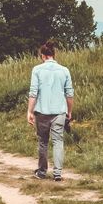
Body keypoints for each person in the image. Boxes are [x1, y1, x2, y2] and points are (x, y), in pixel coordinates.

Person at [26, 40, 74, 181]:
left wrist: (29, 111)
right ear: (54, 54)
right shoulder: (64, 70)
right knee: (58, 141)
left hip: (41, 111)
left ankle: (42, 171)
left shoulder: (37, 70)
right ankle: (57, 174)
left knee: (43, 141)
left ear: (43, 56)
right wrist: (69, 111)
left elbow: (33, 93)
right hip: (59, 111)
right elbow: (69, 94)